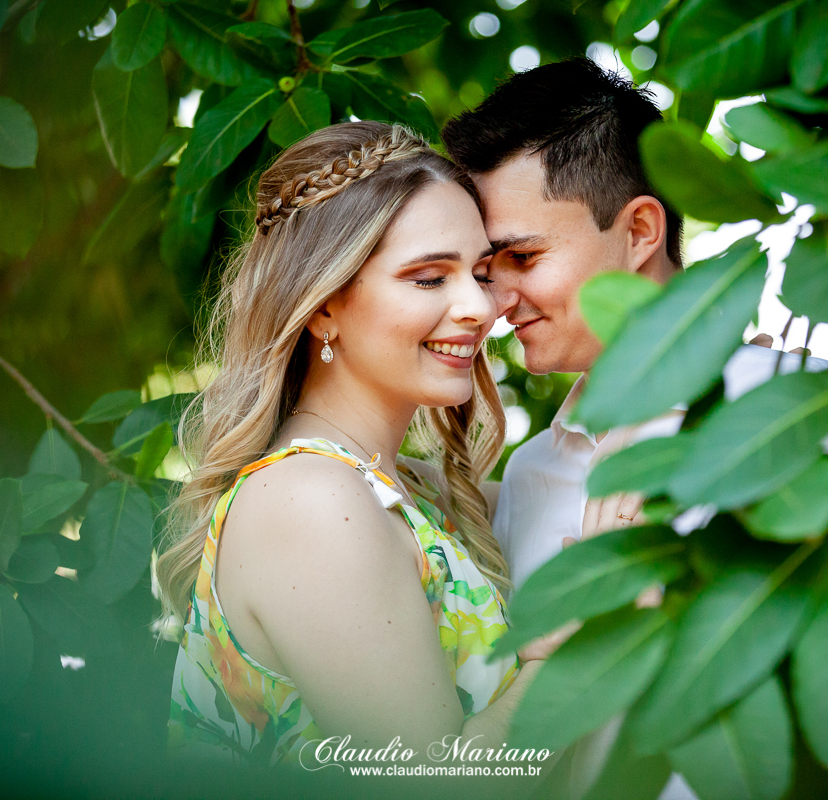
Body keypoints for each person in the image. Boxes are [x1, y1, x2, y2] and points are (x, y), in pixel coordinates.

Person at [442, 58, 828, 798]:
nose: (495, 301)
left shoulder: (800, 407)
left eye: (522, 257)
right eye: (486, 269)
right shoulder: (529, 478)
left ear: (638, 231)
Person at [155, 121, 570, 786]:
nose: (479, 306)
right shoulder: (310, 503)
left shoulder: (416, 493)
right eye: (428, 278)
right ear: (324, 308)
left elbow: (575, 494)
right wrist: (566, 663)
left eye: (480, 272)